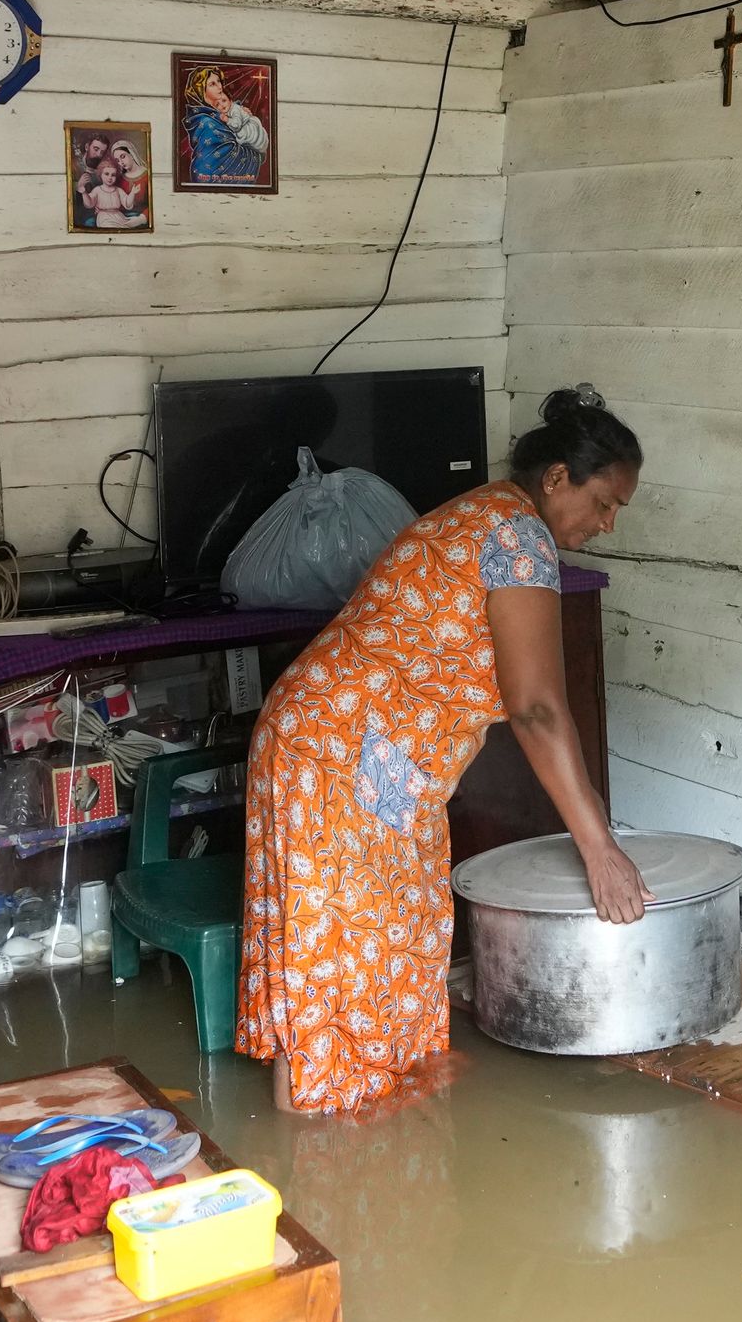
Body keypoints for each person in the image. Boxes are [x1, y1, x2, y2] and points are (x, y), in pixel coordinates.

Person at [235, 387, 645, 1113]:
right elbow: (539, 708)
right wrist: (598, 846)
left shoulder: (487, 513)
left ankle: (376, 1115)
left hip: (355, 747)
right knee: (341, 948)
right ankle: (320, 1140)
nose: (609, 524)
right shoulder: (517, 541)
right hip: (341, 752)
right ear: (556, 478)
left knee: (390, 926)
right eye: (605, 502)